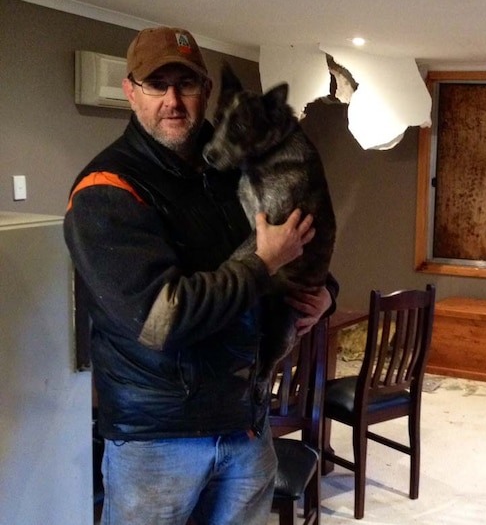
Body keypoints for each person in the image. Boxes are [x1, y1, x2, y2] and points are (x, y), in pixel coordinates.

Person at [64, 26, 337, 525]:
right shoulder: (107, 190)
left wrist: (324, 295)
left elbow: (300, 227)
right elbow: (162, 319)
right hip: (159, 441)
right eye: (156, 84)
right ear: (130, 90)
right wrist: (263, 262)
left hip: (245, 422)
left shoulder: (232, 165)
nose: (173, 100)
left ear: (206, 92)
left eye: (186, 85)